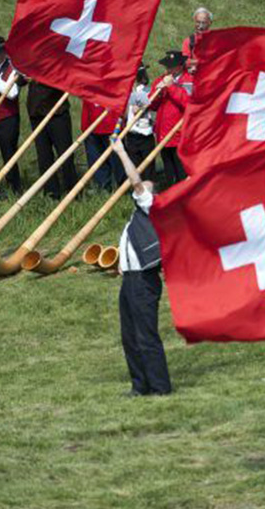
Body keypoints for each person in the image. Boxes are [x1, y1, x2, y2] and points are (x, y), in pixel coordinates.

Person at [110, 136, 171, 396]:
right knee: (130, 336)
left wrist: (121, 151)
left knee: (145, 335)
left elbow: (134, 180)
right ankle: (140, 385)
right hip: (130, 280)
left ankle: (160, 387)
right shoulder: (139, 214)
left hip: (143, 281)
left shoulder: (151, 206)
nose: (141, 185)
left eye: (147, 186)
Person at [26, 79, 77, 199]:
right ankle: (51, 193)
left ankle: (73, 192)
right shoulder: (31, 67)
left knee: (65, 154)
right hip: (36, 114)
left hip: (57, 113)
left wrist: (38, 78)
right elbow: (20, 81)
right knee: (44, 156)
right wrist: (24, 77)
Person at [148, 50, 192, 187]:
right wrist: (158, 94)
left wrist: (171, 87)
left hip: (181, 134)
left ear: (180, 66)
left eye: (171, 66)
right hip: (163, 133)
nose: (167, 69)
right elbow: (152, 105)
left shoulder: (189, 81)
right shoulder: (161, 79)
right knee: (169, 172)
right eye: (166, 66)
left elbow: (189, 103)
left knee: (182, 172)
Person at [0, 36, 22, 195]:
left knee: (9, 154)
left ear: (4, 53)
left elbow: (12, 93)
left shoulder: (13, 68)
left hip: (7, 119)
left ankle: (14, 190)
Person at [80, 99, 124, 190]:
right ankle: (103, 187)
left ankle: (123, 187)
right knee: (95, 157)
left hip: (112, 123)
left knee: (117, 160)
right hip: (91, 122)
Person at [125, 65, 156, 181]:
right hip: (131, 133)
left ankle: (149, 189)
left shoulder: (147, 91)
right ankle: (137, 189)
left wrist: (141, 107)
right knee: (134, 166)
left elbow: (152, 107)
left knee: (148, 168)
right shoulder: (127, 91)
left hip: (145, 133)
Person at [182, 7, 213, 73]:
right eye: (198, 22)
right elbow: (185, 61)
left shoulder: (215, 40)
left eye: (203, 23)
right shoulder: (189, 41)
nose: (200, 26)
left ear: (210, 23)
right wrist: (201, 62)